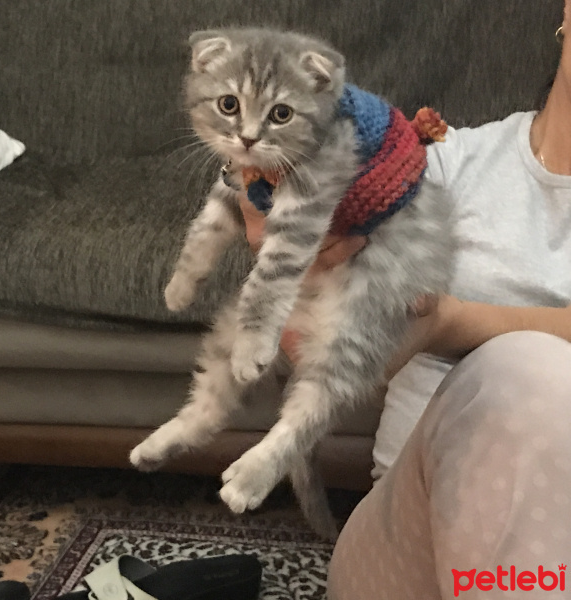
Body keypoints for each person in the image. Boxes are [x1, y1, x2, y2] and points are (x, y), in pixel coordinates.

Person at [239, 4, 571, 598]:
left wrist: (454, 323)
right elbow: (307, 345)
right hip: (411, 550)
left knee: (528, 367)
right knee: (529, 377)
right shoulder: (438, 167)